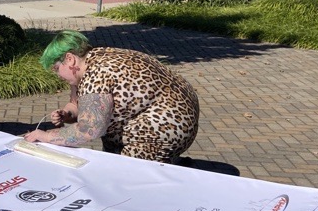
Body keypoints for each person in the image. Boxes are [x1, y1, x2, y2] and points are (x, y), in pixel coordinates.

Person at [24, 30, 199, 163]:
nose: (58, 75)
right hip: (180, 118)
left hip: (163, 131)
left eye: (56, 69)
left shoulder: (96, 74)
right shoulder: (94, 57)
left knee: (120, 174)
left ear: (70, 59)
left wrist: (47, 136)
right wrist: (67, 113)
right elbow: (76, 102)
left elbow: (90, 129)